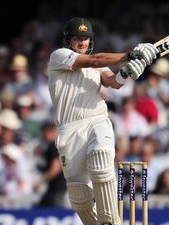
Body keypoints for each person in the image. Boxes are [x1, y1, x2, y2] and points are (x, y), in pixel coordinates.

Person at [47, 17, 158, 225]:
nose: (82, 43)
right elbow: (95, 60)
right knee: (80, 196)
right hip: (69, 130)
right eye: (78, 39)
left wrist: (127, 73)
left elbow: (112, 82)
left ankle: (110, 221)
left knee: (100, 160)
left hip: (97, 120)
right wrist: (129, 55)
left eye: (86, 39)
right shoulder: (60, 56)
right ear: (69, 40)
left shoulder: (97, 64)